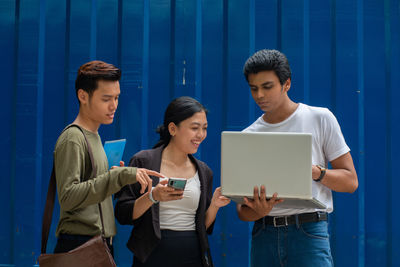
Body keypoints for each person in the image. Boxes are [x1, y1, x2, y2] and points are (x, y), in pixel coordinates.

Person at [236, 49, 358, 267]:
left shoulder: (320, 118)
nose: (259, 95)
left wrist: (316, 172)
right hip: (263, 234)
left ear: (287, 84)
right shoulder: (249, 136)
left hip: (309, 233)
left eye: (267, 86)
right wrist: (257, 210)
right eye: (254, 89)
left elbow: (350, 182)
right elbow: (242, 212)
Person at [53, 60, 162, 255]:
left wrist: (113, 176)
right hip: (80, 245)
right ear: (83, 96)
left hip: (98, 244)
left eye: (117, 98)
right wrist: (117, 177)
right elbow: (68, 197)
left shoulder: (93, 135)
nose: (114, 106)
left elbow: (92, 187)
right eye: (106, 99)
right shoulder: (73, 138)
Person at [115, 96, 231, 267]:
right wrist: (153, 196)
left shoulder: (204, 171)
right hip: (152, 256)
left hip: (193, 256)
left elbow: (202, 227)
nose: (201, 135)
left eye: (204, 128)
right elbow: (123, 213)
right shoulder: (143, 162)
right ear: (172, 129)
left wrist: (214, 205)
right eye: (194, 128)